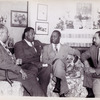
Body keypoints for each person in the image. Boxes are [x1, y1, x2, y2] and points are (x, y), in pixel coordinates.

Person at [42, 30, 80, 97]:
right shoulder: (46, 48)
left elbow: (77, 52)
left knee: (59, 62)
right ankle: (61, 91)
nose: (52, 38)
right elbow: (44, 60)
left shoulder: (65, 47)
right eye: (52, 36)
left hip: (63, 68)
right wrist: (54, 61)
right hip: (51, 68)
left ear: (59, 37)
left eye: (55, 36)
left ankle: (58, 85)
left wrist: (76, 58)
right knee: (58, 61)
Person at [14, 27, 51, 96]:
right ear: (26, 34)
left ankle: (43, 93)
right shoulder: (19, 44)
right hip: (26, 66)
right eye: (32, 34)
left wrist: (56, 45)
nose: (34, 36)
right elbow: (21, 59)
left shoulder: (37, 42)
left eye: (34, 34)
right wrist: (36, 63)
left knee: (47, 67)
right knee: (33, 68)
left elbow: (46, 45)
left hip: (38, 65)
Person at [0, 24, 27, 95]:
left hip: (9, 70)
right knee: (29, 77)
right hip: (4, 73)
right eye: (7, 32)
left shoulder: (2, 45)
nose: (8, 35)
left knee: (30, 74)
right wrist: (18, 69)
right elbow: (1, 63)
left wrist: (15, 61)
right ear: (1, 33)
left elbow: (6, 60)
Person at [81, 31, 100, 97]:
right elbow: (83, 55)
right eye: (93, 38)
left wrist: (95, 70)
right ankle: (90, 93)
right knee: (86, 69)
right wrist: (86, 62)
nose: (93, 40)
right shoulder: (93, 48)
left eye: (95, 38)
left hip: (98, 73)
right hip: (96, 77)